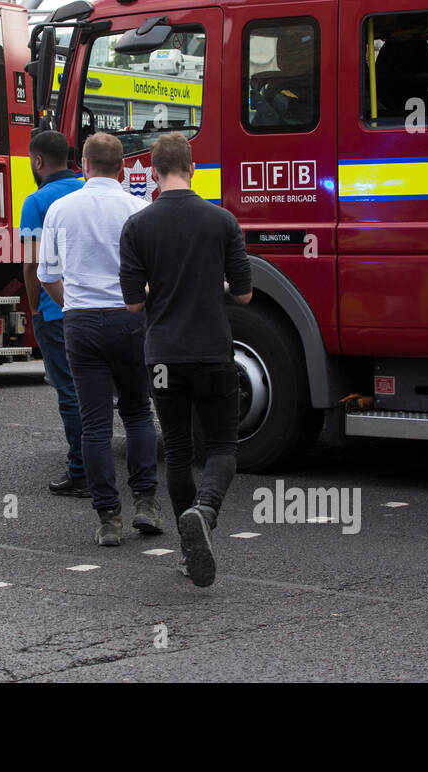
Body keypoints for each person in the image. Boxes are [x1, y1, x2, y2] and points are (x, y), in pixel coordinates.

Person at [119, 133, 253, 587]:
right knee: (222, 446)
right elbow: (245, 292)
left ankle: (186, 547)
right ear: (192, 168)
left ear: (153, 173)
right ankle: (207, 511)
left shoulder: (137, 227)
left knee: (177, 450)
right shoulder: (222, 221)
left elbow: (134, 304)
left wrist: (163, 289)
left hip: (162, 357)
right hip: (213, 350)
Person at [38, 132, 160, 546]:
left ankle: (109, 517)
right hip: (130, 320)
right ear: (123, 167)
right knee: (139, 413)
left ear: (84, 165)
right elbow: (153, 278)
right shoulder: (139, 209)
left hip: (81, 322)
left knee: (94, 424)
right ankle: (145, 501)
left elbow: (47, 275)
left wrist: (71, 303)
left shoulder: (59, 209)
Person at [19, 130, 86, 496]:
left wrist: (34, 306)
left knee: (69, 391)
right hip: (99, 307)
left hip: (57, 310)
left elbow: (31, 264)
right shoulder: (87, 190)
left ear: (38, 162)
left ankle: (81, 470)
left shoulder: (37, 201)